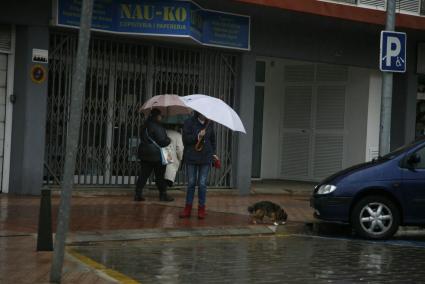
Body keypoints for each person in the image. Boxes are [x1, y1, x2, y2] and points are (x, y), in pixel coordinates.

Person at [180, 112, 218, 219]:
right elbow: (185, 139)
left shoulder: (209, 123)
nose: (205, 114)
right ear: (199, 112)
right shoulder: (189, 122)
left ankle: (201, 209)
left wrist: (214, 153)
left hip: (206, 157)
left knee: (202, 183)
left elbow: (212, 140)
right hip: (191, 157)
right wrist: (198, 136)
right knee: (191, 183)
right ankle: (187, 209)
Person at [135, 108, 174, 202]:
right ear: (157, 116)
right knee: (160, 175)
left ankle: (138, 194)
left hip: (144, 153)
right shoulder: (157, 126)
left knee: (144, 175)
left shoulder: (144, 125)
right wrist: (168, 140)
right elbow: (162, 142)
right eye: (160, 115)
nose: (161, 117)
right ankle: (163, 195)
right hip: (156, 155)